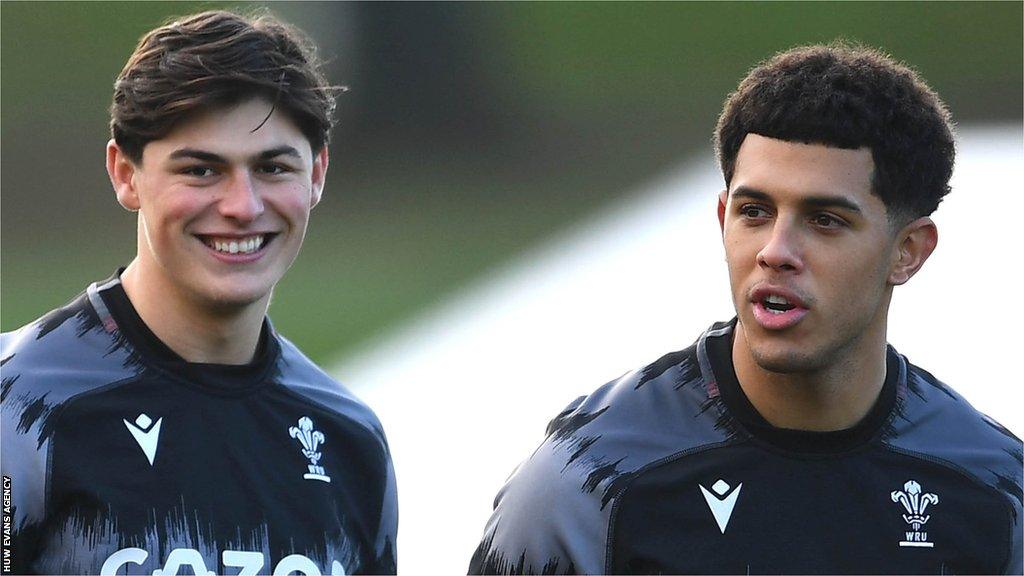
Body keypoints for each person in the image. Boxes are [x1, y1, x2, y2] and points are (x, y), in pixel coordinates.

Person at [468, 43, 1022, 575]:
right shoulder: (589, 477)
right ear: (721, 219)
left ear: (909, 251)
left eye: (825, 220)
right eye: (754, 211)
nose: (776, 252)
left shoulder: (995, 492)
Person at [1, 10, 396, 575]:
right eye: (201, 171)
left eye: (273, 168)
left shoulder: (348, 438)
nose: (243, 206)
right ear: (125, 174)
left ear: (316, 176)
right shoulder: (19, 408)